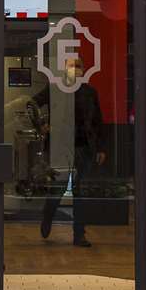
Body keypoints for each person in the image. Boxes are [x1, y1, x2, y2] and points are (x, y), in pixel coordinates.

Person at [39, 81, 106, 247]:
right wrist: (42, 125)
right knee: (58, 188)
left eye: (78, 66)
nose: (75, 70)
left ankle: (79, 234)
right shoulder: (55, 88)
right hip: (60, 146)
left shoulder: (89, 92)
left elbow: (97, 120)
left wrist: (100, 148)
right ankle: (48, 216)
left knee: (81, 191)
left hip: (84, 147)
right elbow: (32, 103)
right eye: (71, 66)